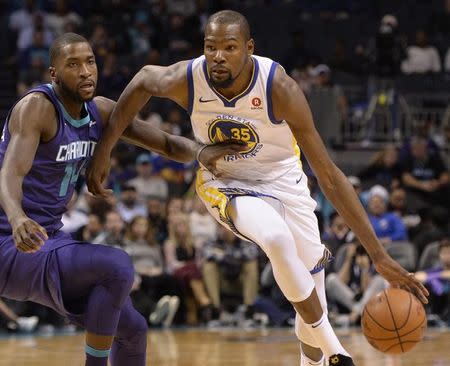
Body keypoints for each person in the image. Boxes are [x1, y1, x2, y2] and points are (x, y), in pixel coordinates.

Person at [87, 11, 429, 366]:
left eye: (229, 47)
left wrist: (378, 254)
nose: (217, 56)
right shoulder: (190, 79)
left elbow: (327, 175)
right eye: (210, 47)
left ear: (249, 48)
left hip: (285, 181)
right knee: (276, 239)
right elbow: (143, 80)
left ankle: (318, 355)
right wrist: (105, 148)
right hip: (227, 182)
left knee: (312, 298)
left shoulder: (278, 88)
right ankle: (337, 352)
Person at [0, 33, 244, 366]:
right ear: (54, 74)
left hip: (49, 241)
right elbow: (9, 173)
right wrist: (16, 218)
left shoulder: (99, 110)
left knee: (133, 329)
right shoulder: (37, 108)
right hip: (12, 242)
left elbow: (169, 144)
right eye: (73, 65)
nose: (86, 71)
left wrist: (203, 152)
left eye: (90, 62)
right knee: (117, 266)